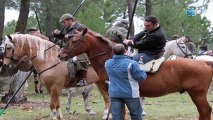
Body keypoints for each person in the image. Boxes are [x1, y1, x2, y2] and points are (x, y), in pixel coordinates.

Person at [105, 44, 147, 120]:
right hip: (130, 94)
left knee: (116, 117)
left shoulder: (107, 63)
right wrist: (140, 68)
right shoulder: (132, 63)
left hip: (114, 93)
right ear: (125, 51)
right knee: (136, 115)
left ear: (112, 52)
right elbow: (142, 77)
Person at [53, 13, 89, 86]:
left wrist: (68, 36)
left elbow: (86, 36)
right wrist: (56, 34)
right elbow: (63, 37)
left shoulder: (81, 27)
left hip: (79, 50)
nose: (63, 24)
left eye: (64, 22)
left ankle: (82, 79)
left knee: (82, 57)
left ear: (70, 20)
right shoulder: (66, 29)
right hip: (68, 49)